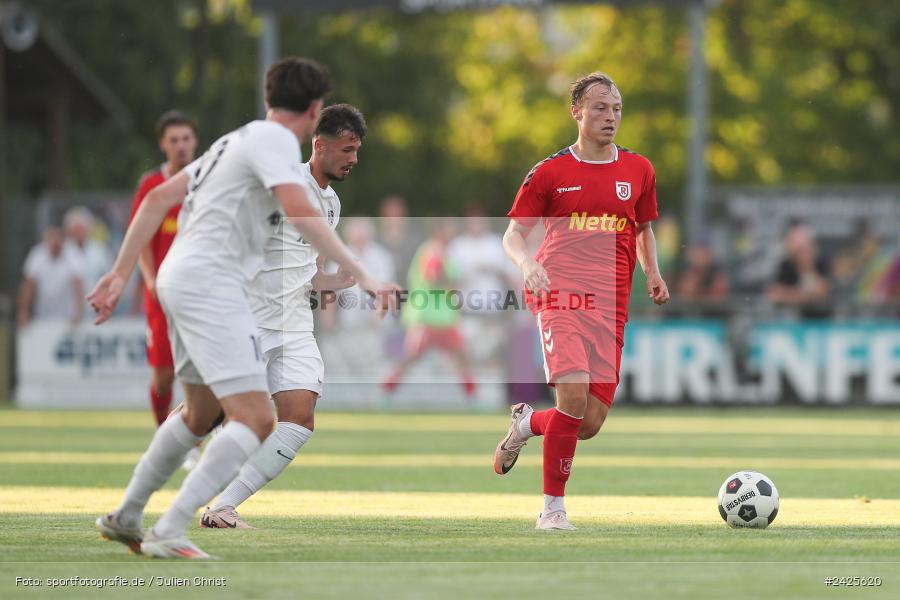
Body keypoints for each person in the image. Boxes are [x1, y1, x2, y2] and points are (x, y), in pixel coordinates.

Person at [90, 58, 395, 559]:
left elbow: (154, 200)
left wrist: (120, 273)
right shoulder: (275, 145)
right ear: (314, 111)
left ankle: (128, 514)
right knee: (253, 418)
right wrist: (363, 273)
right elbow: (300, 214)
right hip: (218, 288)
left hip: (187, 280)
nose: (352, 157)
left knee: (202, 415)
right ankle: (170, 527)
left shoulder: (233, 140)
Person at [492, 72, 669, 530]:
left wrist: (652, 272)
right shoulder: (550, 172)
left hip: (611, 306)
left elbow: (644, 228)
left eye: (616, 108)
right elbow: (513, 234)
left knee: (587, 422)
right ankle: (552, 511)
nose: (610, 117)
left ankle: (528, 424)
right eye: (599, 108)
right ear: (577, 112)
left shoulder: (639, 170)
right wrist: (528, 265)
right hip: (560, 295)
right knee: (571, 398)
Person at [200, 104, 376, 529]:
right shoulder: (283, 186)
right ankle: (159, 471)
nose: (353, 158)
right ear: (320, 144)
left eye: (357, 151)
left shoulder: (331, 203)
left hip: (295, 324)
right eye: (347, 149)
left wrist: (332, 282)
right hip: (253, 319)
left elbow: (307, 270)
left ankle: (224, 506)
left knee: (299, 418)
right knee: (205, 415)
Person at [129, 110, 198, 430]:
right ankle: (163, 432)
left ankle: (195, 439)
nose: (181, 146)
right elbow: (140, 235)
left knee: (205, 371)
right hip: (162, 293)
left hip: (201, 291)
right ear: (163, 145)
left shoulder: (207, 179)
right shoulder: (152, 185)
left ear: (195, 141)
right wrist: (149, 277)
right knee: (163, 377)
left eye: (186, 138)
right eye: (174, 140)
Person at [382, 219, 477, 399]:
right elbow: (434, 278)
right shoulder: (434, 251)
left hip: (442, 316)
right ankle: (386, 391)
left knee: (459, 355)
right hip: (429, 316)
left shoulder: (441, 251)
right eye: (449, 226)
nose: (453, 229)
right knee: (412, 356)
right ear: (440, 231)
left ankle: (472, 396)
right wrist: (455, 284)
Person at [17, 226, 84, 328]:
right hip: (43, 315)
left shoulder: (73, 255)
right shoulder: (37, 254)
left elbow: (78, 285)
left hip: (68, 317)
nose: (55, 244)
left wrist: (79, 312)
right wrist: (23, 312)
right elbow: (28, 285)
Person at [766, 222, 831, 318]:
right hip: (790, 320)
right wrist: (805, 296)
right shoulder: (786, 265)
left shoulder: (821, 263)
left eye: (803, 248)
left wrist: (806, 265)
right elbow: (774, 294)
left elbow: (822, 293)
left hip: (820, 320)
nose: (800, 254)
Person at [62, 206, 113, 313]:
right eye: (76, 229)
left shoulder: (99, 251)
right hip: (63, 313)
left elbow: (108, 278)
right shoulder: (62, 251)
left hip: (93, 312)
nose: (78, 232)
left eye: (81, 228)